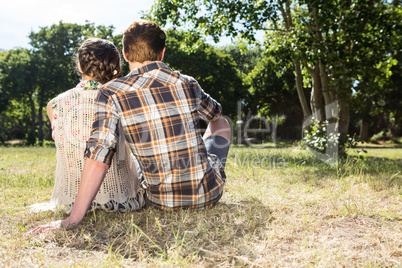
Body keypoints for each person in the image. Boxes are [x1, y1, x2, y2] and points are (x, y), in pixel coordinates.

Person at [31, 20, 230, 232]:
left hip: (161, 201)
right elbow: (215, 114)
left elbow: (99, 156)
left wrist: (73, 219)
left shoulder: (112, 92)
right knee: (222, 123)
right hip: (209, 193)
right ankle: (204, 171)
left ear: (125, 54)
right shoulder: (188, 82)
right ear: (162, 53)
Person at [30, 38, 144, 215]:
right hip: (120, 199)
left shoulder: (54, 105)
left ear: (80, 66)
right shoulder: (124, 100)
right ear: (116, 68)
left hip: (71, 200)